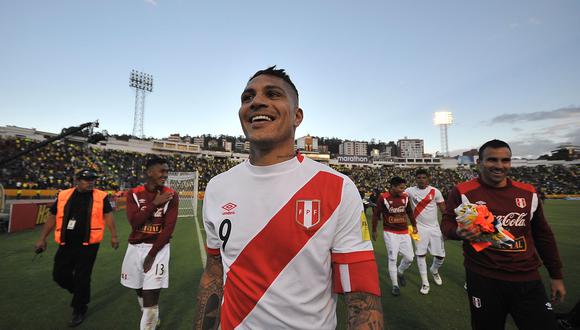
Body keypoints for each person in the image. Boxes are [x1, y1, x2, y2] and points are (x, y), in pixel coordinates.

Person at [194, 66, 383, 330]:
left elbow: (361, 295)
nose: (256, 101)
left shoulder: (338, 188)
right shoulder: (218, 187)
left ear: (297, 116)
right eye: (247, 98)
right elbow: (215, 272)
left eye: (272, 94)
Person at [441, 139, 566, 330]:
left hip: (526, 277)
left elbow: (543, 235)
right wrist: (457, 232)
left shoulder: (528, 193)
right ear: (479, 163)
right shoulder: (463, 191)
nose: (500, 166)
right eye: (492, 160)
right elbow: (447, 224)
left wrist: (556, 275)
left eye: (505, 160)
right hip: (483, 277)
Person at [34, 169, 119, 327]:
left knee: (82, 277)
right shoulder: (64, 195)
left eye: (93, 179)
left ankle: (79, 308)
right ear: (77, 180)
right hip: (66, 243)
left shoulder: (101, 196)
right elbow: (52, 216)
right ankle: (80, 293)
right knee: (59, 275)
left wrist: (114, 235)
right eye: (87, 179)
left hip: (88, 245)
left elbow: (108, 215)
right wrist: (42, 238)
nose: (91, 182)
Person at [121, 157, 179, 330]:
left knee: (151, 296)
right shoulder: (134, 193)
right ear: (149, 172)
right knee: (139, 289)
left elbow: (168, 230)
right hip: (134, 248)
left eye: (167, 171)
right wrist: (154, 204)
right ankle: (152, 317)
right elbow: (135, 223)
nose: (165, 175)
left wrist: (152, 255)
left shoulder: (171, 195)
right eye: (162, 171)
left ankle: (150, 322)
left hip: (158, 250)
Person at [372, 176, 417, 296]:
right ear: (393, 187)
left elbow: (409, 212)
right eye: (401, 187)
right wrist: (374, 230)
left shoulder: (405, 197)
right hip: (390, 232)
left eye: (404, 187)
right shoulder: (383, 197)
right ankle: (395, 285)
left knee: (410, 258)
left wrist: (414, 225)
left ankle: (400, 271)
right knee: (392, 258)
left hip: (404, 232)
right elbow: (376, 214)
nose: (404, 189)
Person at [405, 168, 446, 295]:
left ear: (428, 179)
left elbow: (444, 210)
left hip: (434, 228)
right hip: (417, 228)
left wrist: (446, 226)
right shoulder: (409, 191)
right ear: (415, 179)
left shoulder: (435, 191)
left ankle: (434, 270)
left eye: (424, 177)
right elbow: (398, 197)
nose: (421, 180)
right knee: (420, 254)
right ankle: (425, 282)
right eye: (419, 178)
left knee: (440, 256)